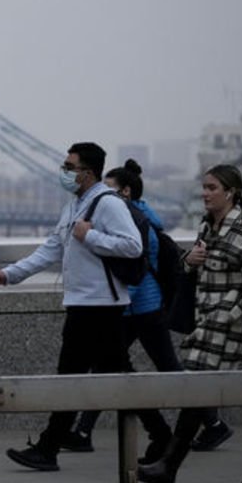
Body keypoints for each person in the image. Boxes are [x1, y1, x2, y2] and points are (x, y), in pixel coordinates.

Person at [0, 142, 143, 472]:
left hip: (100, 306)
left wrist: (91, 237)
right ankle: (165, 437)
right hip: (83, 304)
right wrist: (8, 275)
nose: (64, 172)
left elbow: (133, 246)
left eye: (69, 167)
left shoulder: (107, 203)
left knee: (71, 377)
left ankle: (48, 449)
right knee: (115, 376)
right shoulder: (74, 206)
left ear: (87, 173)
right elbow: (49, 251)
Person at [138, 164, 242, 483]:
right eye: (203, 187)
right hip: (210, 326)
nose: (205, 193)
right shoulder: (210, 227)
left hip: (228, 331)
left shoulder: (240, 233)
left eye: (212, 188)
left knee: (199, 389)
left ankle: (168, 467)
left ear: (230, 192)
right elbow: (191, 269)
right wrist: (189, 260)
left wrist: (232, 313)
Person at [59, 160, 181, 463]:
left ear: (126, 191)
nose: (104, 195)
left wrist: (118, 304)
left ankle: (203, 424)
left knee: (159, 368)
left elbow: (135, 270)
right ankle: (82, 433)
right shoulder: (123, 214)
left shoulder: (138, 222)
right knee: (111, 368)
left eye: (110, 189)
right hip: (127, 309)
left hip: (141, 308)